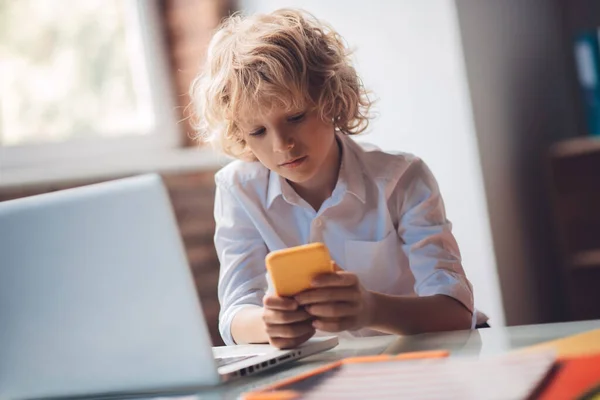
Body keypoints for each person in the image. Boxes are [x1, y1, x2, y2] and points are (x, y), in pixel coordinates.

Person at [190, 8, 487, 349]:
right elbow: (235, 315)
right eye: (257, 130)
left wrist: (370, 309)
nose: (282, 144)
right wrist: (268, 324)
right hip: (320, 374)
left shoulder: (402, 179)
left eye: (296, 116)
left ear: (331, 99)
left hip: (419, 360)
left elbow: (457, 313)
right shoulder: (238, 190)